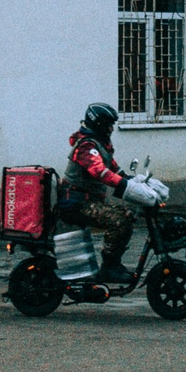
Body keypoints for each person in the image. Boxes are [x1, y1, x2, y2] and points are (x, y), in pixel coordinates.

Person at [63, 102, 138, 285]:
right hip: (76, 204)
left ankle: (114, 263)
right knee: (118, 221)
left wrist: (133, 181)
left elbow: (113, 167)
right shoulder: (86, 146)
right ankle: (109, 268)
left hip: (89, 202)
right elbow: (99, 172)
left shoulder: (100, 144)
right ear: (98, 124)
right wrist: (123, 184)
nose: (112, 128)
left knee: (128, 215)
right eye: (109, 124)